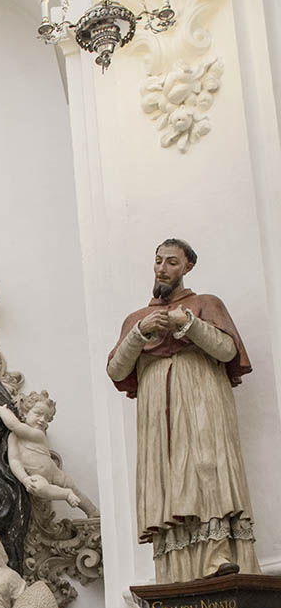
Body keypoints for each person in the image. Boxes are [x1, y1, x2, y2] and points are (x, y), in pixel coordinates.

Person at [107, 238, 258, 582]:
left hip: (203, 398)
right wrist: (139, 333)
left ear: (188, 267)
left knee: (207, 469)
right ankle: (174, 570)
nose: (162, 268)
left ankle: (218, 556)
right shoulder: (138, 319)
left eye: (172, 262)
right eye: (158, 260)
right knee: (168, 482)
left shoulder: (206, 304)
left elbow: (225, 351)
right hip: (157, 413)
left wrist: (187, 323)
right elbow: (116, 370)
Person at [0, 394, 97, 516]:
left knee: (76, 491)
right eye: (38, 414)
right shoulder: (13, 437)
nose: (42, 420)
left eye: (46, 418)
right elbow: (15, 460)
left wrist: (3, 412)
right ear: (25, 413)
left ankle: (93, 512)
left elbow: (15, 425)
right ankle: (66, 494)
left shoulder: (38, 434)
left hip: (53, 471)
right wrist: (24, 479)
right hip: (37, 475)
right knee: (38, 488)